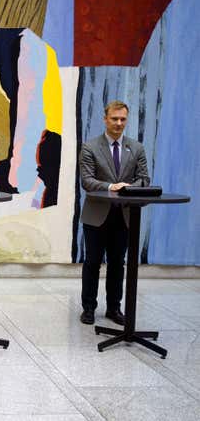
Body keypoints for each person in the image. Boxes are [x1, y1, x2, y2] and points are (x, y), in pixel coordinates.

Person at [79, 100, 150, 325]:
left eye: (122, 119)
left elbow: (145, 179)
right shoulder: (90, 147)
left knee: (118, 263)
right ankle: (88, 308)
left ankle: (114, 308)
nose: (119, 123)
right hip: (97, 216)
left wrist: (128, 188)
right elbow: (87, 181)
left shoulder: (136, 148)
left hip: (125, 216)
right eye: (114, 119)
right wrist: (112, 187)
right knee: (92, 263)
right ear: (105, 119)